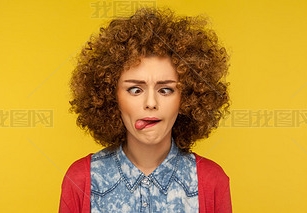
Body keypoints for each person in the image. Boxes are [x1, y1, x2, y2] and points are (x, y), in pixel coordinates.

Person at [59, 6, 232, 213]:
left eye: (166, 90)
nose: (151, 103)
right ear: (111, 96)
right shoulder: (81, 179)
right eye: (135, 89)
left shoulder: (212, 180)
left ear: (186, 98)